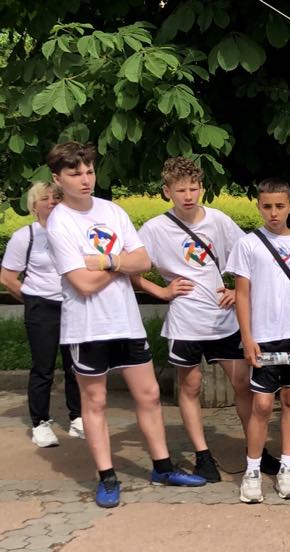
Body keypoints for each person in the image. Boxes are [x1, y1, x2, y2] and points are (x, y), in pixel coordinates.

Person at [45, 141, 206, 507]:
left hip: (126, 322)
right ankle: (107, 477)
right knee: (95, 401)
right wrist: (121, 263)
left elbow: (143, 261)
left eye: (89, 171)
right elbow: (83, 285)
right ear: (57, 178)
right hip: (87, 327)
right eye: (75, 173)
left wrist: (104, 261)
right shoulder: (59, 223)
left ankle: (162, 467)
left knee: (149, 395)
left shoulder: (112, 211)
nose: (85, 179)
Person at [136, 157, 258, 482]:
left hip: (223, 319)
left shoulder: (218, 220)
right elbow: (131, 268)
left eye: (193, 188)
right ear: (167, 192)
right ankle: (202, 454)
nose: (188, 196)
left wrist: (237, 290)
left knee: (242, 384)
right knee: (190, 386)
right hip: (185, 321)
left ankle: (255, 450)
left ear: (201, 187)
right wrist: (161, 291)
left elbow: (249, 256)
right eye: (180, 190)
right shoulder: (155, 229)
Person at [227, 178, 290, 504]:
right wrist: (247, 337)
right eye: (267, 206)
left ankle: (287, 469)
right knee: (262, 405)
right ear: (258, 207)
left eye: (280, 206)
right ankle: (252, 471)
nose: (274, 213)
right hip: (263, 337)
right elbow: (241, 294)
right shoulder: (248, 245)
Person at [0, 181, 83, 448]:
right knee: (43, 368)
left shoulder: (74, 232)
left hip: (73, 305)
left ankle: (78, 417)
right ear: (34, 205)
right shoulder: (25, 236)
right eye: (45, 198)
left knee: (76, 366)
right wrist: (32, 298)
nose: (52, 202)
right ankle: (40, 423)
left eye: (56, 197)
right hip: (42, 307)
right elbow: (8, 277)